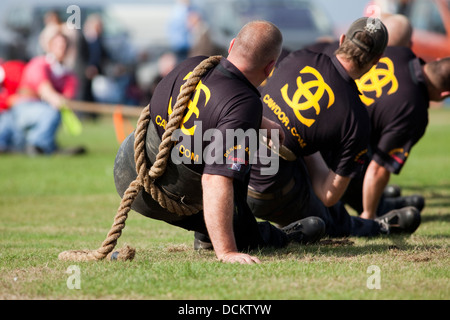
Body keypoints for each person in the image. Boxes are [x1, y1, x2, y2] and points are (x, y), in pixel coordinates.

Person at [114, 21, 325, 265]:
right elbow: (214, 180)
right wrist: (227, 251)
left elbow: (208, 109)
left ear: (232, 45)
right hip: (162, 197)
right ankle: (266, 236)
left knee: (227, 143)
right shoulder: (245, 104)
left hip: (126, 171)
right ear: (270, 68)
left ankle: (207, 235)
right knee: (235, 163)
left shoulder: (194, 65)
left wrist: (261, 123)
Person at [246, 17, 421, 238]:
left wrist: (301, 141)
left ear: (342, 40)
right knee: (332, 218)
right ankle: (379, 226)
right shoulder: (356, 118)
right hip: (266, 192)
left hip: (232, 171)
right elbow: (328, 194)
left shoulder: (300, 57)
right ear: (377, 61)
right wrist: (309, 149)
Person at [340, 14, 450, 219]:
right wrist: (368, 217)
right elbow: (379, 168)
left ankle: (382, 203)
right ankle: (371, 210)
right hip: (337, 149)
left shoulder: (399, 52)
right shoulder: (415, 111)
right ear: (445, 94)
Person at [0, 24, 85, 156]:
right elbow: (45, 90)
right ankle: (39, 145)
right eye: (58, 45)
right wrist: (56, 99)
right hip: (23, 109)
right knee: (50, 113)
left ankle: (39, 145)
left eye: (64, 46)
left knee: (50, 115)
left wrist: (61, 101)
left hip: (38, 113)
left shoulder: (69, 76)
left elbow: (67, 99)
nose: (61, 49)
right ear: (49, 46)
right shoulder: (39, 64)